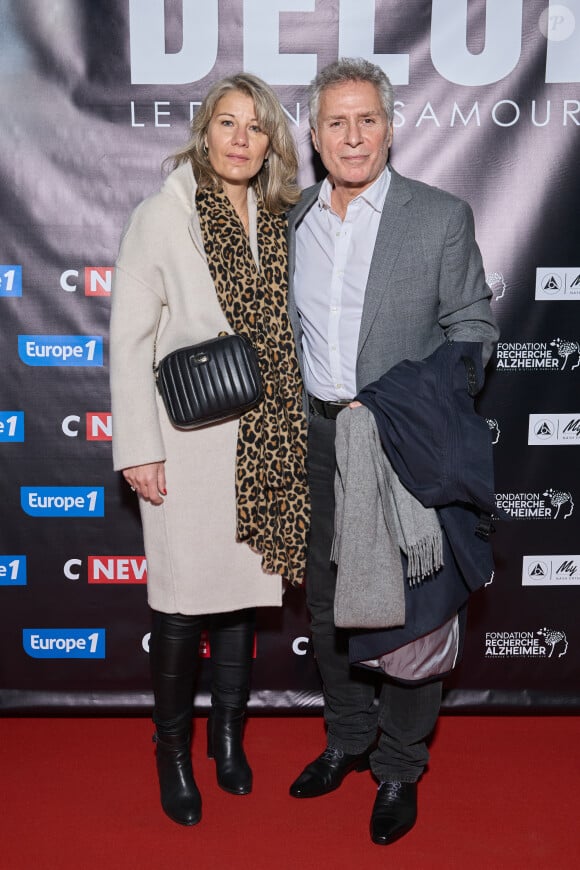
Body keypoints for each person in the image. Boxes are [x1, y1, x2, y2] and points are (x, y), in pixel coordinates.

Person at [287, 58, 499, 845]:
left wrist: (422, 406)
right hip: (318, 436)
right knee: (329, 598)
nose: (352, 136)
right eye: (336, 122)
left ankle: (401, 767)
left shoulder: (438, 216)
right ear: (313, 135)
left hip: (403, 441)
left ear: (389, 126)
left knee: (417, 612)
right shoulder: (293, 219)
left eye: (367, 119)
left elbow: (474, 328)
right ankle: (347, 736)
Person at [109, 73, 309, 827]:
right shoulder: (160, 218)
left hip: (263, 446)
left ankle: (228, 739)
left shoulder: (281, 216)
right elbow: (128, 343)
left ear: (270, 145)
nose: (240, 139)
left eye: (256, 128)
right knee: (181, 608)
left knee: (238, 607)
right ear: (205, 132)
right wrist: (139, 448)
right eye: (227, 123)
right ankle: (172, 750)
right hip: (186, 445)